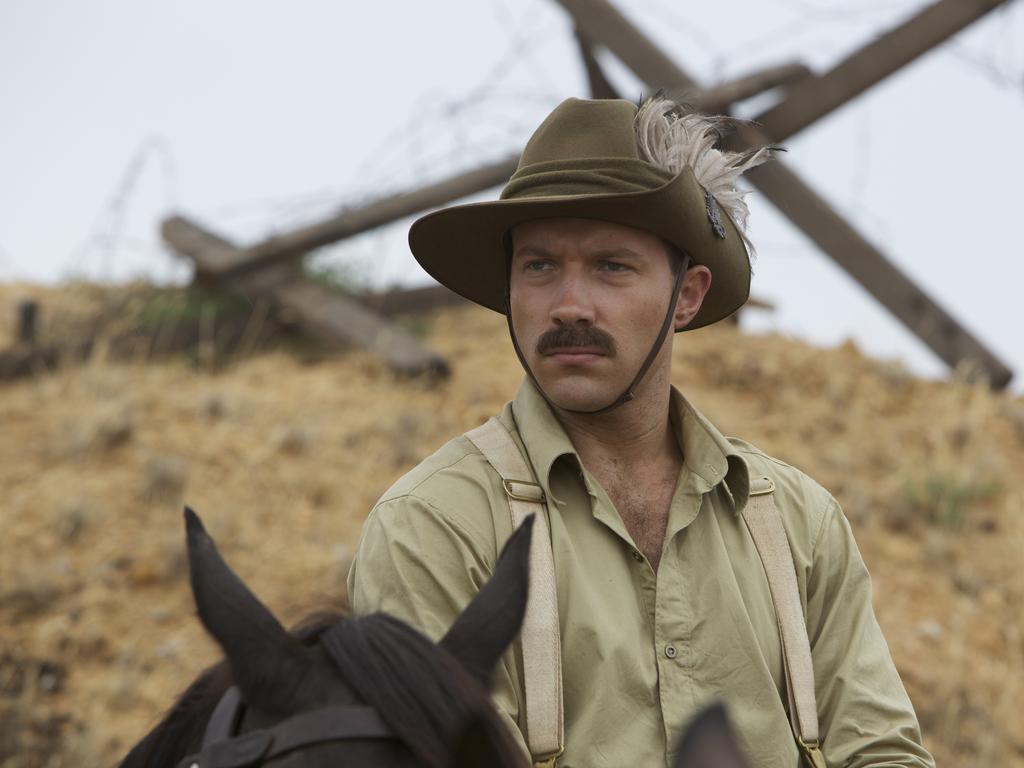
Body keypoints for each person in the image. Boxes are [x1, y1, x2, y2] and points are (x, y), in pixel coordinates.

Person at [347, 96, 934, 768]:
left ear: (687, 296)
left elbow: (883, 753)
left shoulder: (798, 523)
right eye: (538, 266)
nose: (569, 304)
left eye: (611, 266)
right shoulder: (432, 524)